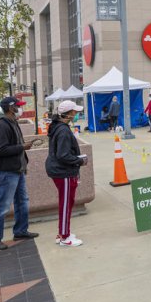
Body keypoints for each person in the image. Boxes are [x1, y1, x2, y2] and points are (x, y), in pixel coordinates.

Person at [0, 97, 39, 251]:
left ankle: (20, 231)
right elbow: (1, 150)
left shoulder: (12, 122)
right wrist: (22, 147)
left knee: (22, 201)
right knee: (2, 206)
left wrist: (21, 149)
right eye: (18, 106)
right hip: (7, 172)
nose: (20, 108)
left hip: (17, 169)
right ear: (11, 108)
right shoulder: (2, 125)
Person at [46, 100, 88, 247]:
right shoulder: (63, 130)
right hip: (62, 171)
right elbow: (63, 155)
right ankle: (64, 236)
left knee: (66, 203)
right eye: (74, 112)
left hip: (59, 170)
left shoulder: (58, 126)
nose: (76, 114)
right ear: (69, 114)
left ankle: (63, 233)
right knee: (65, 204)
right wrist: (79, 160)